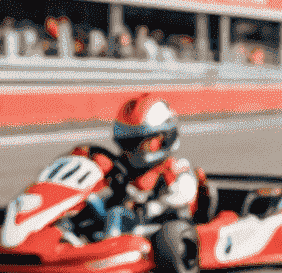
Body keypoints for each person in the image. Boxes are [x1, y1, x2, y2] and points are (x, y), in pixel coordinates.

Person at [66, 94, 200, 240]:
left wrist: (148, 206)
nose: (131, 151)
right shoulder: (120, 169)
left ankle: (106, 245)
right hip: (117, 227)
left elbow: (181, 199)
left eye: (139, 143)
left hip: (159, 233)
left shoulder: (176, 170)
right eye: (127, 144)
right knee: (91, 201)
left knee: (116, 213)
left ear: (165, 139)